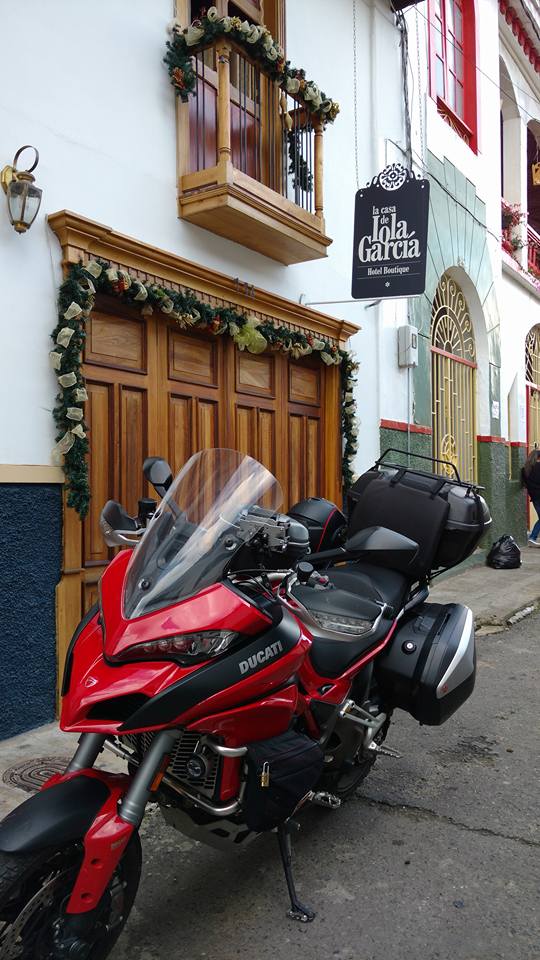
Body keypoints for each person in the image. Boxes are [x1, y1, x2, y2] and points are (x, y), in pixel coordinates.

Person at [521, 448, 540, 546]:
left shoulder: (525, 469)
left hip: (535, 497)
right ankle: (532, 537)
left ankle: (532, 537)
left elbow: (525, 484)